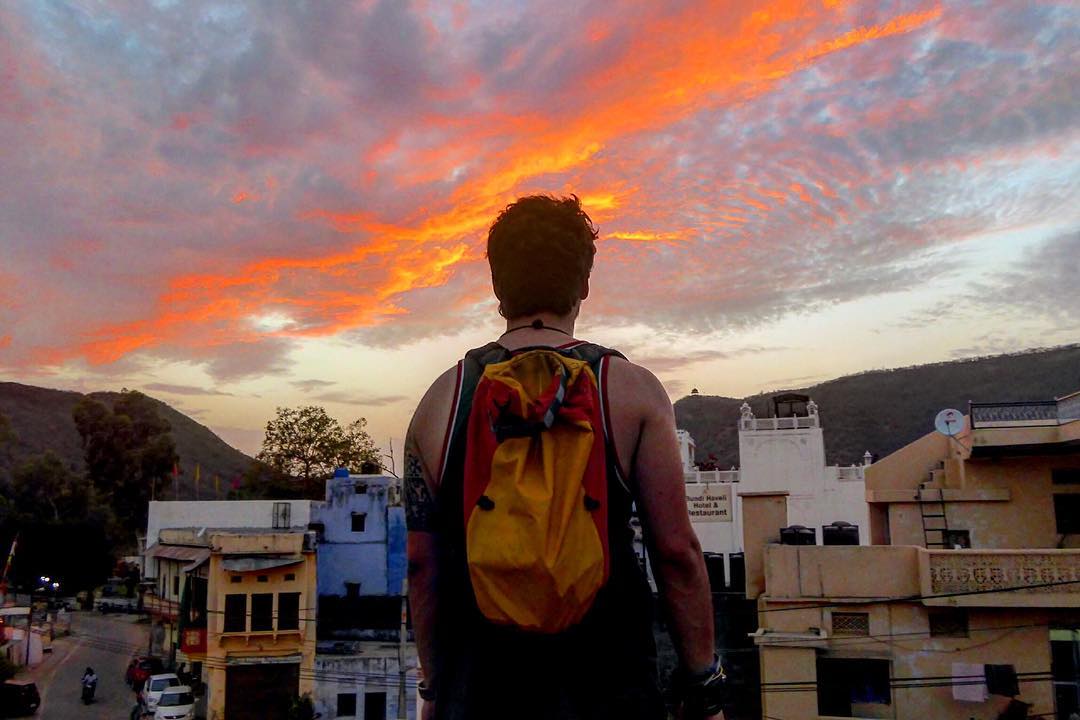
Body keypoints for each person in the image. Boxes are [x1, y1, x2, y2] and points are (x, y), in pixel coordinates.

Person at [405, 195, 722, 720]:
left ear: (496, 286)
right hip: (610, 691)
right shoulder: (632, 391)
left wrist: (436, 691)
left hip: (479, 694)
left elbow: (422, 566)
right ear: (584, 285)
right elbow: (676, 554)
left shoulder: (441, 401)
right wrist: (703, 689)